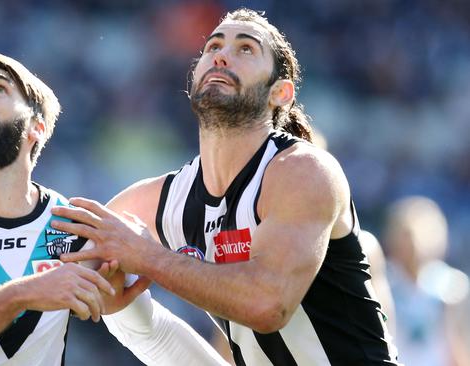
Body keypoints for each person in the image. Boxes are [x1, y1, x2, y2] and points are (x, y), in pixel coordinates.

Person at [53, 8, 401, 365]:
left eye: (246, 49)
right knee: (128, 314)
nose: (221, 54)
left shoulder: (303, 170)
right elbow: (62, 256)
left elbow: (268, 304)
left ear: (280, 93)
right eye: (212, 46)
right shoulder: (167, 197)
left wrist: (146, 256)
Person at [0, 50, 228, 365]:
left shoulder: (73, 226)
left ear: (36, 129)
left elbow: (154, 335)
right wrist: (21, 294)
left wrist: (122, 308)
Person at [383, 195, 469, 366]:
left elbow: (458, 342)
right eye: (406, 235)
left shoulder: (451, 285)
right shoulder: (385, 281)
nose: (413, 245)